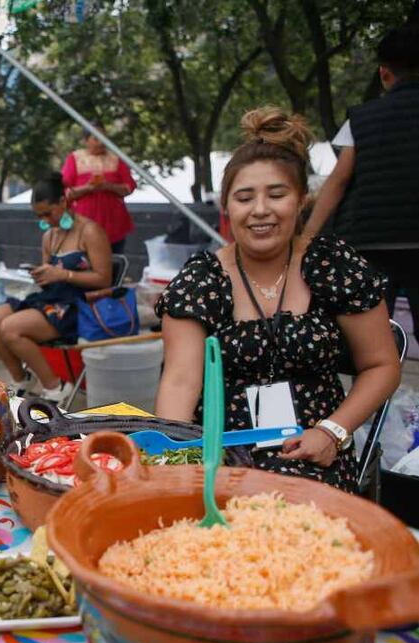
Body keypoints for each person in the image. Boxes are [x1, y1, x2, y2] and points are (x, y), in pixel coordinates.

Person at [154, 107, 401, 494]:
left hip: (315, 455)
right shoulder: (202, 279)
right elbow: (181, 382)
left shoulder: (332, 264)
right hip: (222, 457)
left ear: (301, 199)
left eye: (276, 194)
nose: (260, 210)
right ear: (226, 206)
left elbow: (381, 365)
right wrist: (176, 463)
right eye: (244, 198)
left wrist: (332, 432)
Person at [303, 24, 419, 340]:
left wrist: (307, 236)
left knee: (372, 336)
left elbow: (339, 181)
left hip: (371, 242)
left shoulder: (363, 117)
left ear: (384, 73)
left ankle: (373, 388)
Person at [0, 173, 113, 401]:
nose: (45, 219)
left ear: (63, 202)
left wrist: (64, 274)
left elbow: (104, 279)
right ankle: (22, 379)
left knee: (10, 329)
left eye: (48, 213)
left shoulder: (90, 231)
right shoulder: (49, 236)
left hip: (76, 306)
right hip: (50, 299)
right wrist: (41, 274)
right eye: (39, 215)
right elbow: (49, 274)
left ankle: (56, 386)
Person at [62, 126, 137, 254]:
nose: (101, 142)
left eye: (103, 137)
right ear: (86, 140)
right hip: (83, 226)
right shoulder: (74, 158)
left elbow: (129, 187)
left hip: (113, 224)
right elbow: (65, 192)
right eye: (96, 138)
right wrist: (88, 188)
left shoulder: (116, 158)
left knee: (113, 263)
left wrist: (108, 186)